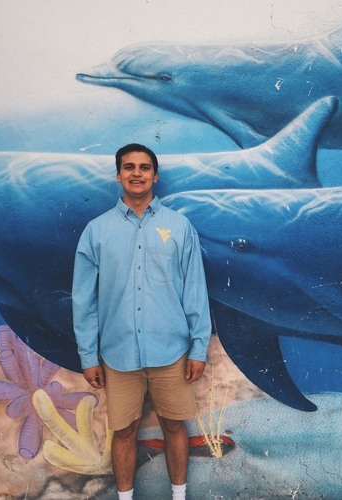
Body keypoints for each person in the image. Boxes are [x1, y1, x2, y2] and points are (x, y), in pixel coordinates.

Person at [72, 143, 211, 500]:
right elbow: (84, 300)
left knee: (174, 427)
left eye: (144, 167)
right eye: (129, 167)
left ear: (155, 176)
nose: (137, 173)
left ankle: (179, 496)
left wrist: (199, 347)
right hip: (117, 354)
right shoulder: (96, 231)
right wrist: (88, 356)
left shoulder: (179, 227)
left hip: (172, 352)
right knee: (123, 432)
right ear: (118, 175)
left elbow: (194, 290)